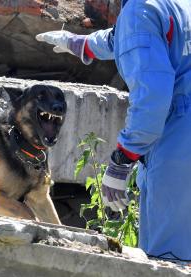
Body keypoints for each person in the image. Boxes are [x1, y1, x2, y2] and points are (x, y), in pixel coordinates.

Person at [36, 0, 191, 261]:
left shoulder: (141, 9)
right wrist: (82, 44)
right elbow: (131, 36)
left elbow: (152, 98)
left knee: (170, 257)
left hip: (179, 142)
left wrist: (123, 159)